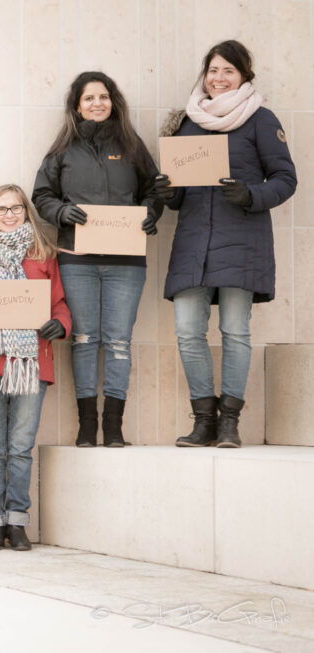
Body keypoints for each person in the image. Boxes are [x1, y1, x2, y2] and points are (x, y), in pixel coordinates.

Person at [157, 40, 296, 448]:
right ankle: (204, 420)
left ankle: (229, 422)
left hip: (242, 241)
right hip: (193, 242)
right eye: (213, 70)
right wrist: (169, 194)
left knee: (235, 331)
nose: (219, 78)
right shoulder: (186, 122)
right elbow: (179, 193)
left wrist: (251, 195)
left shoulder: (260, 120)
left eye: (228, 71)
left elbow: (285, 179)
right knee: (187, 331)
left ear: (244, 76)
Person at [32, 71, 163, 448]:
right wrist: (61, 212)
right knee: (85, 339)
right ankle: (87, 425)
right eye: (89, 98)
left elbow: (154, 190)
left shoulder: (132, 146)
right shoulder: (62, 150)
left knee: (119, 340)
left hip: (126, 262)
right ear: (77, 106)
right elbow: (41, 195)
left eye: (103, 97)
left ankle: (114, 425)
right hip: (77, 260)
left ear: (113, 102)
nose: (97, 104)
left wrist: (150, 213)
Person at [0, 185, 70, 551]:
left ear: (26, 211)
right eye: (1, 208)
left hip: (31, 360)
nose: (9, 215)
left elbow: (59, 303)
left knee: (21, 447)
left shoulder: (43, 254)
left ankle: (18, 521)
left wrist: (60, 324)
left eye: (16, 208)